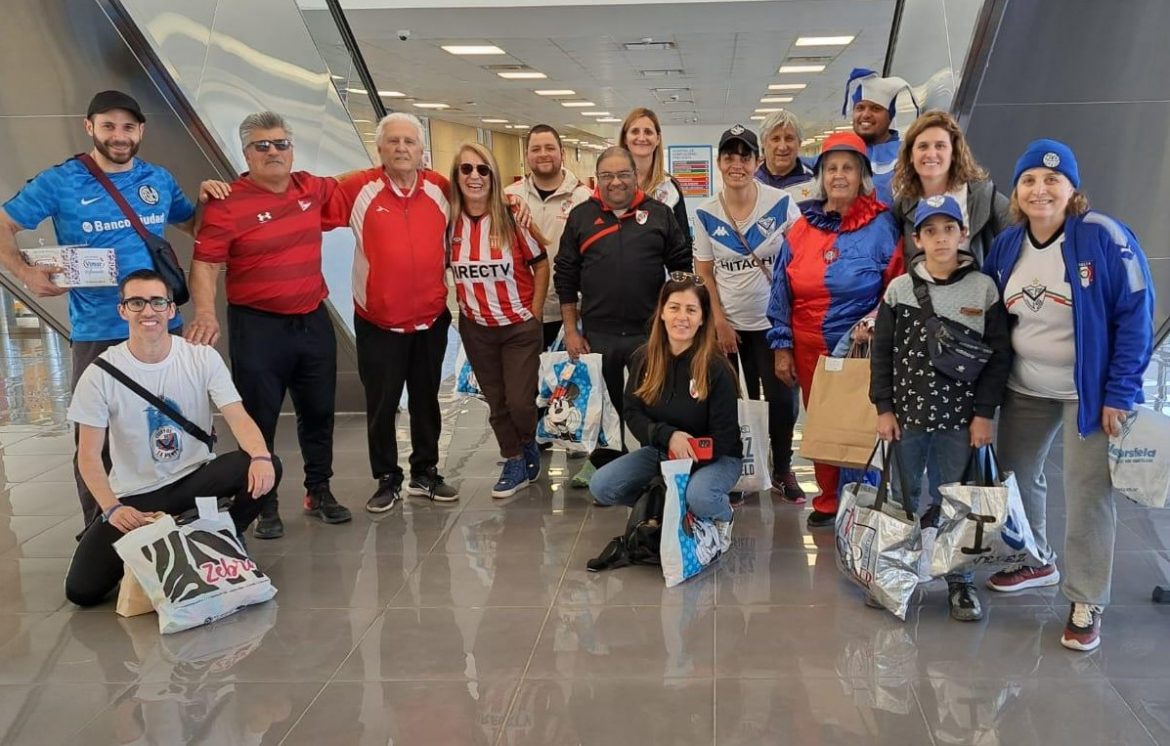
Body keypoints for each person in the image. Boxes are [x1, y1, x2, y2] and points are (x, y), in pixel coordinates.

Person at [0, 90, 227, 526]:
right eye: (108, 126)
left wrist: (207, 199)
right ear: (90, 128)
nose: (118, 136)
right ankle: (101, 527)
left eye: (127, 127)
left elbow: (195, 224)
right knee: (96, 437)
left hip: (163, 326)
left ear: (140, 130)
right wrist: (25, 273)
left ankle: (178, 521)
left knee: (174, 424)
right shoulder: (60, 181)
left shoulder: (157, 179)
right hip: (97, 331)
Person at [981, 139, 1155, 652]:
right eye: (1030, 180)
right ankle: (1035, 557)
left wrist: (1119, 392)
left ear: (1072, 189)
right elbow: (996, 318)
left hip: (1089, 391)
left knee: (1086, 493)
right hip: (1026, 386)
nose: (1041, 189)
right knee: (1015, 474)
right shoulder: (1009, 244)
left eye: (1053, 180)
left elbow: (1136, 316)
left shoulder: (1102, 237)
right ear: (1016, 192)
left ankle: (1086, 598)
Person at [63, 269, 281, 607]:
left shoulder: (200, 357)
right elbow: (88, 456)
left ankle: (223, 533)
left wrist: (262, 458)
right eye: (136, 302)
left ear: (171, 309)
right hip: (137, 497)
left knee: (263, 464)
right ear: (122, 310)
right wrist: (112, 508)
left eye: (156, 301)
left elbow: (238, 416)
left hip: (194, 480)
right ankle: (157, 544)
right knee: (82, 591)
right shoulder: (99, 374)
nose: (148, 311)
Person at [190, 111, 352, 540]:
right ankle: (264, 502)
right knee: (258, 418)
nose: (274, 152)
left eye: (281, 143)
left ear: (292, 149)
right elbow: (205, 265)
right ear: (246, 154)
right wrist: (205, 314)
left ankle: (319, 491)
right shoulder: (227, 201)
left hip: (311, 322)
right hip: (257, 327)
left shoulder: (309, 188)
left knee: (318, 411)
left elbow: (358, 182)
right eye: (263, 146)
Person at [870, 195, 1012, 621]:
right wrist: (884, 408)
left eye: (948, 229)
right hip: (907, 418)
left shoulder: (983, 289)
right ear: (917, 239)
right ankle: (896, 574)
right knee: (903, 497)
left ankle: (960, 583)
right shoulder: (899, 290)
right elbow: (883, 353)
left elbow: (998, 356)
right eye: (930, 231)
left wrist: (983, 414)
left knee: (958, 500)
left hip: (959, 421)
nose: (940, 238)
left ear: (963, 234)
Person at [767, 132, 904, 530]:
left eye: (847, 167)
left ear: (861, 174)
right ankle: (828, 497)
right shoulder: (801, 227)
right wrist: (782, 346)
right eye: (831, 168)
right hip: (810, 347)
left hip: (863, 349)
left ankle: (864, 497)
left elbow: (896, 285)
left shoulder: (882, 225)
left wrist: (876, 325)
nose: (839, 175)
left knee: (865, 423)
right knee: (823, 420)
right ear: (821, 175)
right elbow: (781, 291)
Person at [331, 112, 459, 512]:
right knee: (382, 403)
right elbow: (303, 197)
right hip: (378, 322)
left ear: (423, 151)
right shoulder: (358, 188)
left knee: (426, 399)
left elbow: (480, 208)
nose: (402, 148)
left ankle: (425, 471)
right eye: (394, 142)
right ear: (380, 149)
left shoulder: (441, 188)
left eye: (410, 142)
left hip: (431, 319)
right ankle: (387, 477)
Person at [555, 146, 692, 487]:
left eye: (623, 174)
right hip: (598, 332)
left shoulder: (659, 213)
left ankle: (655, 459)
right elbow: (566, 276)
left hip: (648, 333)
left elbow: (681, 269)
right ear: (597, 179)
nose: (615, 182)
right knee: (605, 404)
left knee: (653, 401)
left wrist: (678, 324)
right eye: (607, 176)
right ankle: (602, 463)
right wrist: (572, 330)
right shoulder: (581, 216)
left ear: (636, 176)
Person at [693, 125, 804, 502]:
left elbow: (797, 263)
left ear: (757, 162)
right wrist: (719, 321)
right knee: (735, 402)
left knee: (781, 401)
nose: (736, 164)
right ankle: (743, 467)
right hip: (730, 326)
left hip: (774, 326)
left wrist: (787, 324)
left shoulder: (781, 204)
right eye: (729, 157)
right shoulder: (706, 213)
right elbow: (705, 273)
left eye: (745, 157)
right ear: (719, 163)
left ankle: (782, 467)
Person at [589, 274, 742, 548]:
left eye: (691, 310)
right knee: (602, 485)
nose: (681, 317)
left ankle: (720, 514)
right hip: (663, 450)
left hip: (716, 457)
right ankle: (663, 505)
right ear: (661, 312)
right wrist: (668, 437)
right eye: (674, 307)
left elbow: (727, 435)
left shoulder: (717, 367)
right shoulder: (644, 358)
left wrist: (686, 467)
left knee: (700, 495)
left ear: (703, 318)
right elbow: (633, 412)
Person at [449, 142, 549, 497]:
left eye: (482, 169)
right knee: (496, 400)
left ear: (493, 175)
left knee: (520, 401)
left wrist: (535, 312)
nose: (474, 176)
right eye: (466, 169)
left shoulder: (512, 217)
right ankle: (514, 458)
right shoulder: (448, 222)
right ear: (456, 176)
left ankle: (527, 440)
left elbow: (540, 263)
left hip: (518, 326)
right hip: (477, 329)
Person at [504, 124, 592, 349]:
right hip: (520, 313)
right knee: (525, 383)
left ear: (562, 153)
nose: (543, 154)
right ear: (526, 155)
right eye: (536, 149)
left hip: (571, 315)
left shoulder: (585, 199)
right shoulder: (508, 197)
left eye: (549, 148)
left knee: (566, 384)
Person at [891, 110, 1009, 266]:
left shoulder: (982, 196)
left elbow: (1020, 236)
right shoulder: (903, 204)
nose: (931, 154)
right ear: (911, 155)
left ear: (954, 152)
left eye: (940, 146)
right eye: (923, 146)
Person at [843, 68, 918, 205]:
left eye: (876, 108)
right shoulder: (842, 153)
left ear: (890, 116)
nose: (866, 114)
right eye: (860, 108)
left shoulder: (908, 154)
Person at [619, 107, 693, 244]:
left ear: (657, 139)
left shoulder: (670, 187)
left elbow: (683, 242)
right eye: (635, 131)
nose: (642, 138)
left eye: (648, 132)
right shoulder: (611, 185)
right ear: (625, 138)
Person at [754, 110, 816, 207]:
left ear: (799, 143)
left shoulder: (815, 183)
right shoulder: (750, 183)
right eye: (775, 139)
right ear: (763, 143)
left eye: (789, 138)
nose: (782, 147)